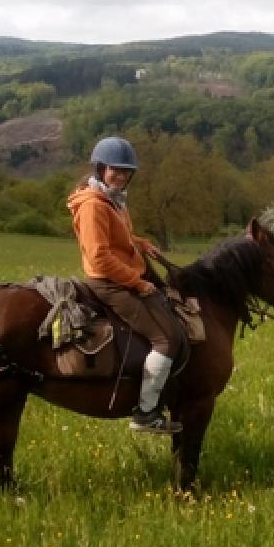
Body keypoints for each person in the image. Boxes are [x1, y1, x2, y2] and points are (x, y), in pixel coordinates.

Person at [67, 136, 184, 434]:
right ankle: (146, 413)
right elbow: (100, 256)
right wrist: (137, 283)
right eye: (114, 170)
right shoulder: (95, 205)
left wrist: (139, 242)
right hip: (109, 283)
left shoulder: (112, 200)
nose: (120, 176)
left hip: (119, 276)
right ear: (100, 168)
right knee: (166, 339)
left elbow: (116, 238)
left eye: (125, 171)